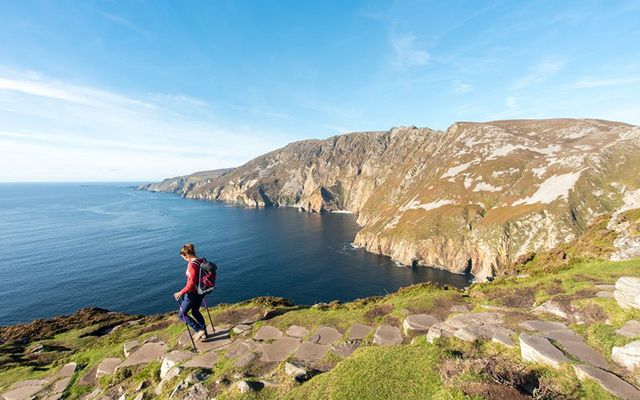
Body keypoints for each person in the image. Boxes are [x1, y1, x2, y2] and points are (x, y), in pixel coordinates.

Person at [174, 243, 207, 341]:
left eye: (183, 258)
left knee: (182, 314)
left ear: (187, 255)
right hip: (201, 291)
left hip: (192, 293)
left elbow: (191, 283)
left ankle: (199, 330)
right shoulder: (202, 260)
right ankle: (204, 333)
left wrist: (181, 292)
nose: (184, 259)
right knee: (195, 311)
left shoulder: (192, 265)